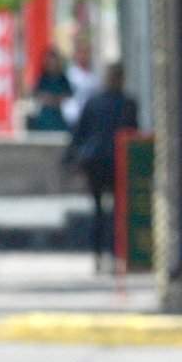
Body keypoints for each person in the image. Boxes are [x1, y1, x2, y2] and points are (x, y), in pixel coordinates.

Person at [63, 63, 140, 273]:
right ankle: (113, 257)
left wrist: (70, 160)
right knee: (116, 212)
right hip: (116, 161)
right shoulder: (127, 103)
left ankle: (100, 256)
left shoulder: (95, 102)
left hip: (96, 162)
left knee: (99, 211)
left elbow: (79, 134)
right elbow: (133, 132)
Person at [25, 47, 73, 132]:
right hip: (45, 116)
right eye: (49, 61)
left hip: (59, 116)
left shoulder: (63, 79)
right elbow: (37, 95)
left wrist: (56, 99)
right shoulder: (42, 79)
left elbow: (68, 96)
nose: (52, 64)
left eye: (54, 61)